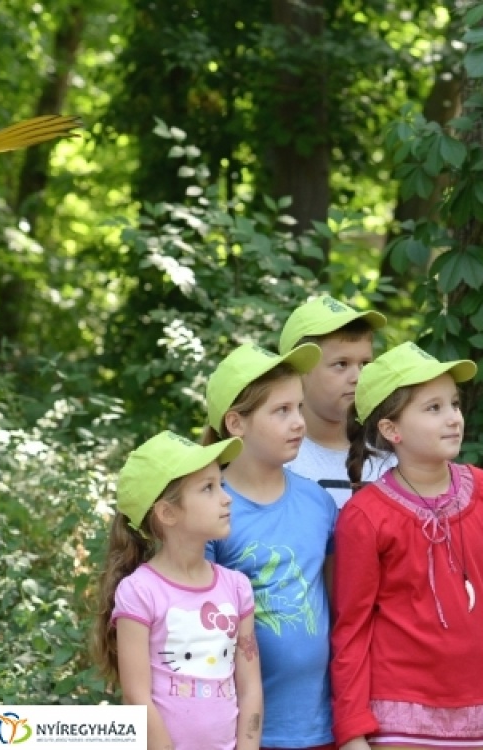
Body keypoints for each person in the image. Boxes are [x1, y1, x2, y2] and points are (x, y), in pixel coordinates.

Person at [331, 342, 483, 750]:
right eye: (433, 408)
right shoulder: (364, 515)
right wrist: (351, 729)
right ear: (391, 430)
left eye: (454, 403)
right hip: (399, 721)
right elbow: (352, 631)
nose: (453, 418)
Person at [202, 342, 339, 750]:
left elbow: (336, 604)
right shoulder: (210, 508)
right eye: (281, 411)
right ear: (236, 423)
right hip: (239, 732)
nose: (298, 422)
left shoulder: (319, 503)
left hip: (319, 726)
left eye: (299, 408)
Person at [93, 430, 262, 750]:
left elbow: (250, 686)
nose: (227, 498)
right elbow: (136, 697)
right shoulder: (140, 592)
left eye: (221, 484)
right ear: (167, 513)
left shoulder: (236, 587)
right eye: (208, 488)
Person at [280, 295, 392, 507]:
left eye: (365, 364)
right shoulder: (276, 460)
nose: (357, 377)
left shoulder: (392, 458)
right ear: (298, 371)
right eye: (341, 364)